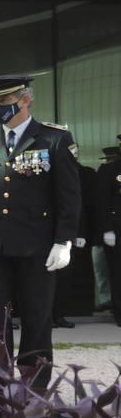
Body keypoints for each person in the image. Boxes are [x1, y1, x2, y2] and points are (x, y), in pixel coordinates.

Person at [0, 75, 80, 385]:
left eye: (5, 101)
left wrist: (63, 241)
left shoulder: (54, 139)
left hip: (36, 246)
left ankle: (33, 391)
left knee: (37, 318)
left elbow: (68, 195)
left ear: (26, 99)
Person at [52, 141, 93, 328]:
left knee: (64, 278)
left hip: (67, 232)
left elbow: (78, 207)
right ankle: (46, 317)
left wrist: (80, 232)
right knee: (43, 280)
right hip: (44, 232)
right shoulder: (47, 172)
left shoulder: (79, 173)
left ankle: (59, 314)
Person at [100, 138, 121, 326]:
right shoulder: (110, 170)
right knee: (117, 273)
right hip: (117, 229)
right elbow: (103, 202)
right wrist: (107, 229)